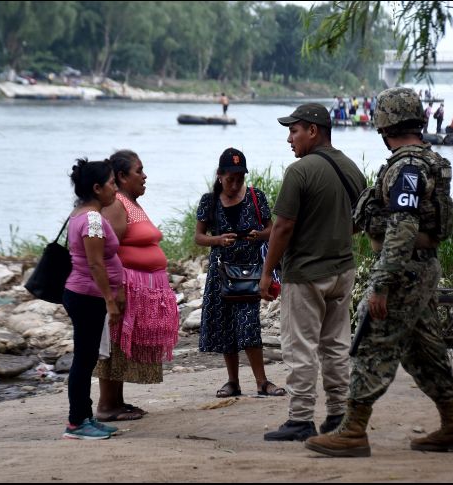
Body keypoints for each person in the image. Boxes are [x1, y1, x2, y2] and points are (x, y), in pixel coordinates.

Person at [304, 87, 453, 458]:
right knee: (425, 351)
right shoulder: (427, 161)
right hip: (420, 268)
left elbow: (402, 226)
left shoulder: (407, 167)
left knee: (372, 343)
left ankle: (352, 431)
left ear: (386, 123)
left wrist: (382, 284)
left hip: (403, 270)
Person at [261, 103, 366, 441]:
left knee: (300, 347)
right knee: (336, 345)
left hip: (305, 274)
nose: (290, 139)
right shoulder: (352, 168)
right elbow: (359, 222)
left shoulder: (300, 172)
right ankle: (338, 414)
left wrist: (267, 273)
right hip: (343, 270)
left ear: (313, 131)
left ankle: (301, 418)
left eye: (294, 131)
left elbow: (282, 227)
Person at [95, 150, 180, 422]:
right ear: (121, 176)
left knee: (123, 344)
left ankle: (116, 402)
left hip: (141, 288)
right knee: (116, 343)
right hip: (126, 287)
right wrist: (115, 290)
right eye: (139, 171)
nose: (144, 176)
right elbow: (108, 251)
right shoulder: (117, 204)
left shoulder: (131, 203)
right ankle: (107, 405)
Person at [194, 148, 286, 399]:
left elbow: (273, 230)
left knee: (249, 326)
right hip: (221, 273)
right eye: (230, 179)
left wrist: (260, 235)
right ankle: (232, 381)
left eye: (240, 179)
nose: (235, 185)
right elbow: (199, 237)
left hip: (249, 272)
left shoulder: (256, 197)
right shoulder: (209, 201)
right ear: (219, 176)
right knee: (224, 328)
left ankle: (262, 382)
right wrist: (218, 240)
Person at [62, 158, 124, 440]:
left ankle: (85, 417)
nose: (115, 188)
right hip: (87, 296)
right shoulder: (93, 220)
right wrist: (109, 300)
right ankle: (76, 423)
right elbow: (96, 264)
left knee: (85, 359)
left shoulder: (79, 214)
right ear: (97, 188)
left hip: (83, 294)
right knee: (84, 360)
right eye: (112, 183)